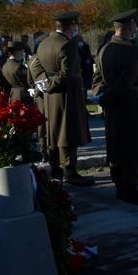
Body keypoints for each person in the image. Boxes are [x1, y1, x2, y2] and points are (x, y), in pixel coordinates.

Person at [95, 10, 138, 206]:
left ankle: (120, 185)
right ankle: (131, 187)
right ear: (130, 26)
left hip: (112, 106)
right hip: (129, 103)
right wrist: (111, 93)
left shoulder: (104, 49)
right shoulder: (130, 50)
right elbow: (127, 81)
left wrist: (103, 95)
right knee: (133, 145)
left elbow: (96, 81)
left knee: (117, 145)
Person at [32, 11, 95, 185]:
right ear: (72, 26)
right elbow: (68, 74)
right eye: (75, 25)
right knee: (68, 133)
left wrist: (44, 84)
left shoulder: (43, 43)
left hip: (49, 96)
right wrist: (51, 85)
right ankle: (70, 171)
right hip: (66, 94)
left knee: (52, 132)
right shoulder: (67, 45)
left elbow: (36, 67)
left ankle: (55, 170)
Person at [2, 40, 33, 104]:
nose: (23, 52)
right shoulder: (19, 66)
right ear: (16, 51)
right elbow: (28, 81)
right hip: (23, 96)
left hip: (13, 94)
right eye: (21, 50)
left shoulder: (5, 65)